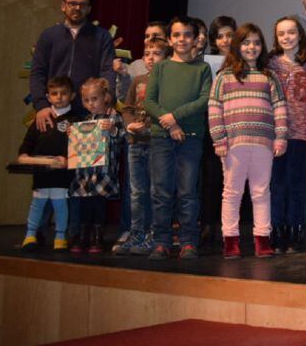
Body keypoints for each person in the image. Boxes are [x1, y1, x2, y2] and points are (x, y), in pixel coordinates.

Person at [208, 23, 287, 259]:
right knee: (232, 193)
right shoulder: (224, 77)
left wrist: (281, 137)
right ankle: (230, 240)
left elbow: (280, 108)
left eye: (256, 42)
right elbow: (214, 108)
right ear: (237, 46)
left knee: (261, 192)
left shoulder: (269, 76)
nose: (251, 47)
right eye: (246, 42)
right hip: (233, 144)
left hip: (263, 143)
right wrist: (219, 139)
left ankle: (262, 238)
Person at [144, 16, 212, 261]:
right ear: (170, 40)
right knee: (161, 191)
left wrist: (175, 118)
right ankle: (161, 242)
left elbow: (204, 100)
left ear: (195, 39)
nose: (182, 39)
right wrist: (168, 121)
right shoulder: (160, 67)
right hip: (162, 138)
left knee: (188, 192)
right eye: (177, 35)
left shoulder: (202, 69)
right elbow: (149, 101)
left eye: (187, 35)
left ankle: (188, 241)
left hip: (191, 138)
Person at [267, 16, 306, 253]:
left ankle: (295, 234)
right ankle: (277, 233)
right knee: (276, 185)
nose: (287, 37)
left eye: (291, 32)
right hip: (274, 134)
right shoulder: (269, 64)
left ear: (300, 34)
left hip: (302, 133)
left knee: (297, 184)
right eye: (281, 34)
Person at [29, 0, 115, 128]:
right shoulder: (48, 35)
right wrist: (41, 105)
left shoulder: (102, 37)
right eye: (72, 3)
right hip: (53, 111)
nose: (77, 8)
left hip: (89, 111)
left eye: (82, 4)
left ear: (89, 9)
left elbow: (108, 71)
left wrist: (107, 101)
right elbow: (38, 72)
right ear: (63, 6)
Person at [115, 37, 168, 255]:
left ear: (166, 57)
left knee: (156, 191)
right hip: (135, 142)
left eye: (156, 53)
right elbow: (127, 108)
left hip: (157, 143)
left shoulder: (169, 82)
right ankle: (136, 233)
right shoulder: (138, 81)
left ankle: (154, 236)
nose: (151, 58)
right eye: (147, 53)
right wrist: (129, 125)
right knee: (137, 192)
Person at [17, 76, 79, 252]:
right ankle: (30, 235)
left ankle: (60, 237)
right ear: (48, 96)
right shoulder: (40, 119)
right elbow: (25, 147)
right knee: (37, 204)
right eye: (54, 93)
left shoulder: (76, 120)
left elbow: (81, 150)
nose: (59, 97)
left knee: (60, 204)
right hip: (41, 173)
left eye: (64, 93)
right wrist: (27, 156)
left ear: (72, 95)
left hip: (61, 174)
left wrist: (68, 160)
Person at [68, 77, 123, 254]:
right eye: (86, 100)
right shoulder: (86, 120)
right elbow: (76, 142)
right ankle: (83, 236)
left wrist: (113, 130)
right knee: (85, 203)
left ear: (105, 97)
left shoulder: (114, 116)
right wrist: (72, 133)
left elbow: (123, 136)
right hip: (85, 171)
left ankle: (97, 238)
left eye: (94, 99)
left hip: (103, 171)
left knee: (98, 204)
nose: (91, 104)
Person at [199, 15, 234, 246]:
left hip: (236, 123)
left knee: (232, 179)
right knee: (210, 178)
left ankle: (229, 225)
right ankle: (208, 224)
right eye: (220, 36)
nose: (225, 40)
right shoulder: (204, 62)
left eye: (230, 35)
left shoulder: (245, 60)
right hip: (210, 124)